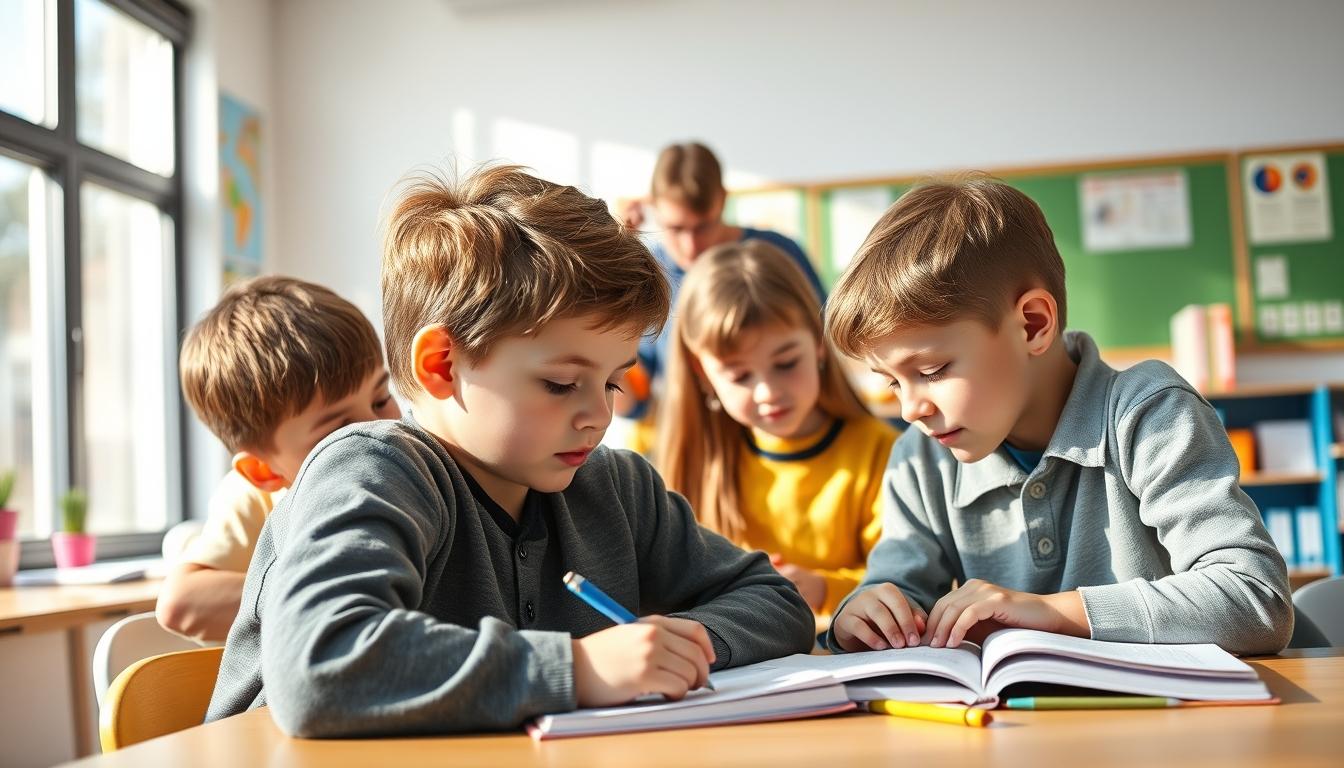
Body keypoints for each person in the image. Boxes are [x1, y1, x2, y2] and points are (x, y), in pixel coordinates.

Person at [203, 165, 816, 737]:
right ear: (443, 365)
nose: (599, 414)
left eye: (611, 381)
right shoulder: (370, 467)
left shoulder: (616, 487)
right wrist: (578, 669)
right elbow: (321, 665)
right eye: (560, 384)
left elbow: (776, 602)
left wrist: (682, 643)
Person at [822, 174, 1293, 657]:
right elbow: (895, 590)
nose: (911, 408)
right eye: (892, 382)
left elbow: (1255, 598)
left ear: (1032, 325)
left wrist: (1054, 613)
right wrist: (860, 617)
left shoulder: (1148, 413)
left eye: (932, 370)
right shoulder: (920, 458)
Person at [658, 240, 896, 617]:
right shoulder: (691, 462)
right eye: (739, 376)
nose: (768, 392)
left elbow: (904, 583)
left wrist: (820, 588)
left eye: (786, 363)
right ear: (704, 375)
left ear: (819, 342)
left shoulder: (882, 452)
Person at [156, 276, 400, 643]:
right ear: (265, 469)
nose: (378, 430)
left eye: (381, 399)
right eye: (340, 428)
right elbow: (181, 603)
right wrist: (332, 594)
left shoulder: (414, 469)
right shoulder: (256, 499)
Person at [615, 142, 825, 435]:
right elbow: (636, 398)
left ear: (723, 201)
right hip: (699, 440)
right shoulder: (647, 272)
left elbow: (829, 338)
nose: (691, 248)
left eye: (703, 227)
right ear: (654, 208)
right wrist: (615, 257)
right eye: (675, 229)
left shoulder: (776, 253)